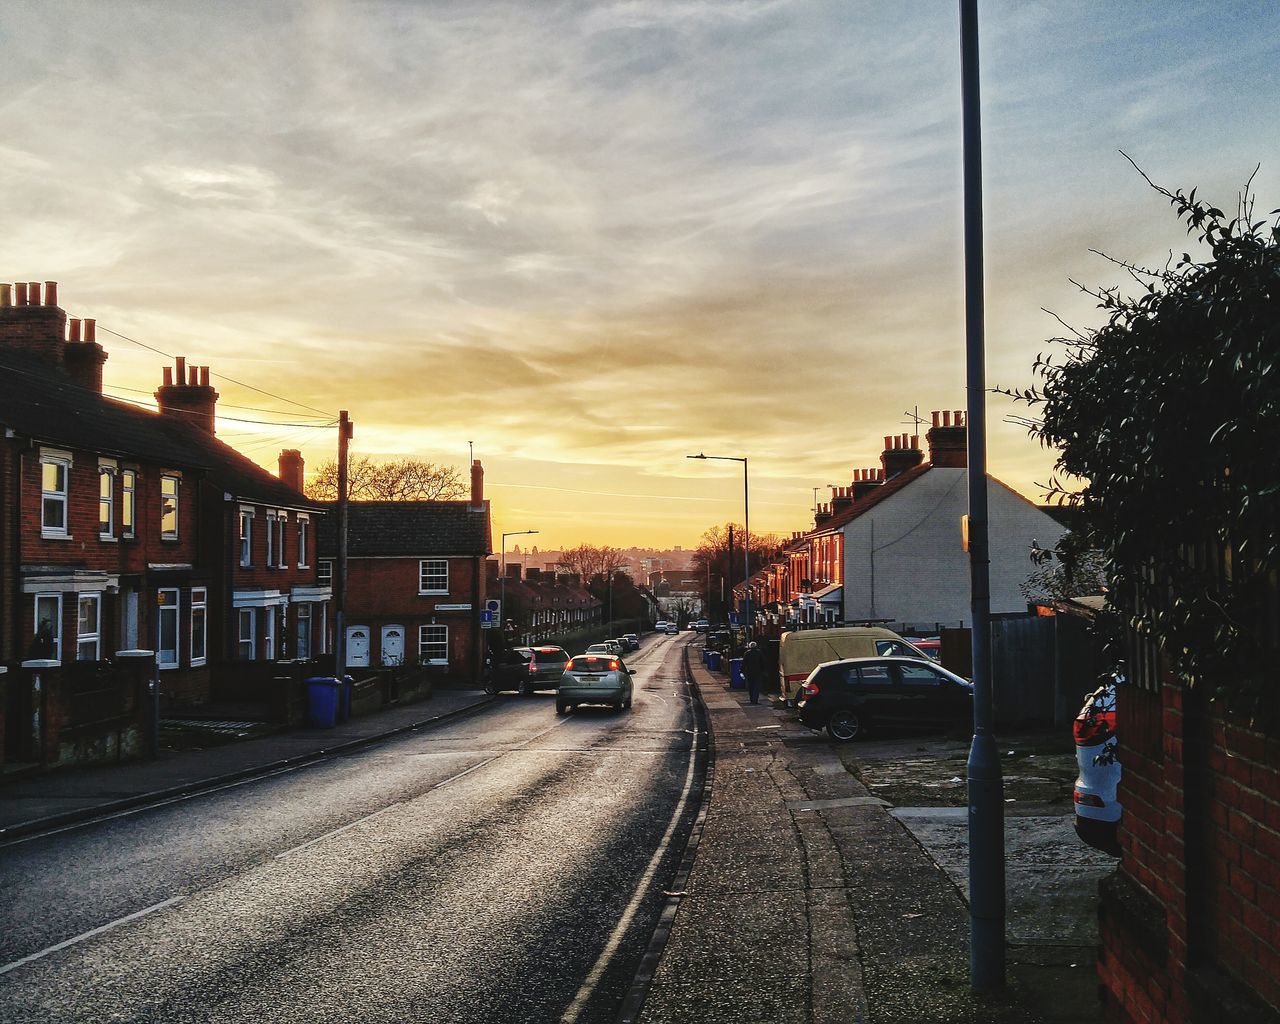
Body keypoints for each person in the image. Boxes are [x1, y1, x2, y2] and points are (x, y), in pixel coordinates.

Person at [742, 640, 765, 705]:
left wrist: (742, 670)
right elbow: (763, 662)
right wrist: (763, 670)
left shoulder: (747, 653)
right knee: (756, 686)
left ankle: (752, 699)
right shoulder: (759, 653)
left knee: (751, 686)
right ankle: (755, 700)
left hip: (749, 672)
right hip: (758, 672)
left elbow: (744, 663)